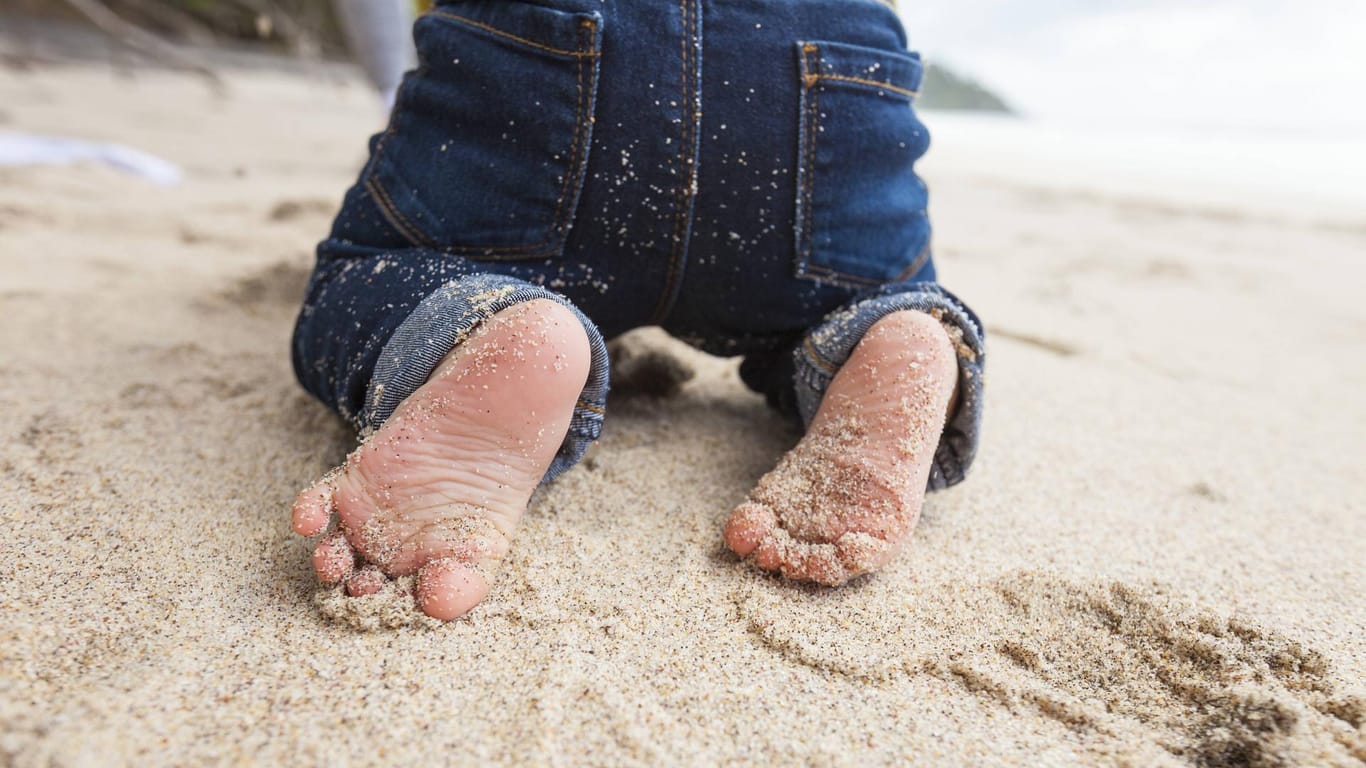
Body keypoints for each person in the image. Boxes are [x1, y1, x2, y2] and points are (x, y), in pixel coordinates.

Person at [289, 0, 985, 621]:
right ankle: (884, 334)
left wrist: (393, 82)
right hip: (822, 67)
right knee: (865, 299)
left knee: (375, 275)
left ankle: (483, 323)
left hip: (540, 58)